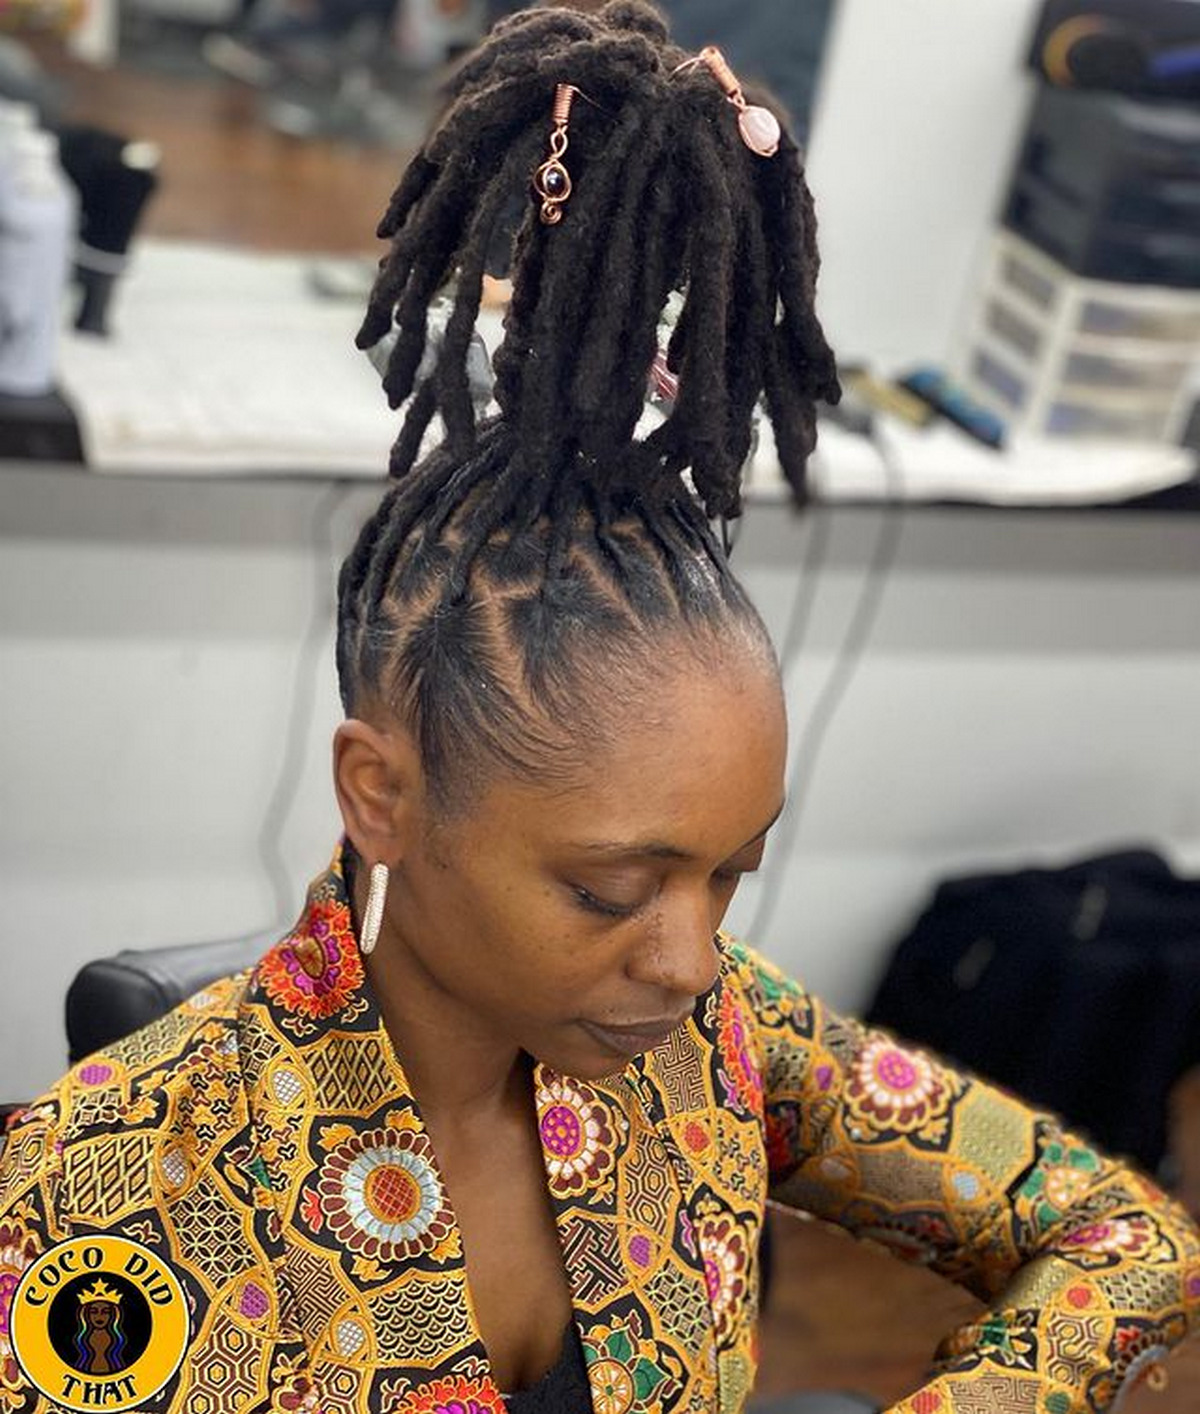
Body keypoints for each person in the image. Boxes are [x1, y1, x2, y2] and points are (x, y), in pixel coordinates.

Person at [1, 5, 1198, 1413]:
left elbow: (1125, 1238)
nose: (692, 956)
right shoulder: (113, 1201)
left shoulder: (716, 1037)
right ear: (379, 793)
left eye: (730, 874)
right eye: (611, 886)